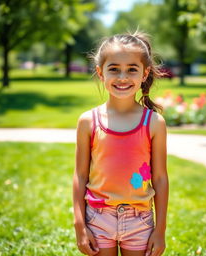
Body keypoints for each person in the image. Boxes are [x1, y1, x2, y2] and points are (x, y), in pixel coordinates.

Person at [73, 31, 169, 256]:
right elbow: (80, 175)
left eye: (132, 69)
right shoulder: (88, 121)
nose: (122, 77)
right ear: (100, 73)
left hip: (140, 220)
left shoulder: (154, 123)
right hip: (97, 218)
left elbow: (160, 178)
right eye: (114, 69)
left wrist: (160, 229)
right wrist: (79, 224)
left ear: (145, 74)